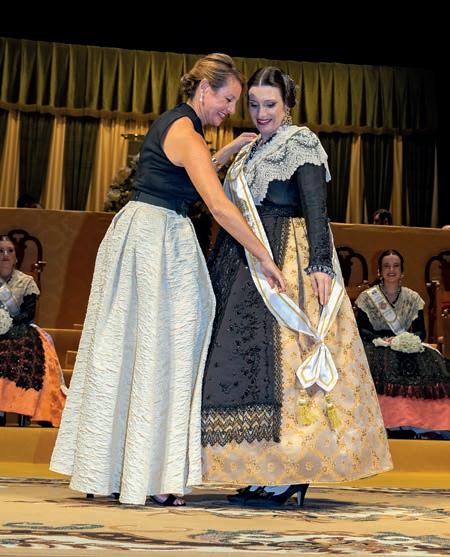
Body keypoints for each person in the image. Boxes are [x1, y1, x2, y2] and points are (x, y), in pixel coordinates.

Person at [50, 54, 285, 507]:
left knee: (132, 349)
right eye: (228, 99)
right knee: (167, 352)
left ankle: (110, 468)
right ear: (205, 89)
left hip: (143, 231)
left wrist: (227, 151)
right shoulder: (187, 133)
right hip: (157, 238)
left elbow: (186, 172)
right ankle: (155, 476)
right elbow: (219, 207)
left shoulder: (176, 125)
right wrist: (265, 256)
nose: (230, 109)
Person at [201, 66, 392, 508]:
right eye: (253, 104)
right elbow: (207, 181)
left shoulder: (300, 142)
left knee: (286, 366)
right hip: (242, 261)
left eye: (270, 104)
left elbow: (315, 207)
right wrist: (231, 148)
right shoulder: (251, 150)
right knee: (242, 366)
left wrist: (321, 264)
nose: (261, 113)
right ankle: (260, 467)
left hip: (286, 260)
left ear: (287, 104)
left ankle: (291, 470)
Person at [355, 249, 450, 436]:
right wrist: (381, 340)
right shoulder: (367, 297)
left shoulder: (413, 298)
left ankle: (423, 424)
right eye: (386, 266)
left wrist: (407, 340)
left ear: (402, 271)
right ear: (379, 271)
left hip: (405, 343)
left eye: (396, 266)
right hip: (376, 344)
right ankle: (387, 423)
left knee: (433, 362)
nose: (391, 270)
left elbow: (421, 331)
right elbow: (361, 329)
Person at [0, 235, 66, 427]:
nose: (5, 255)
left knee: (22, 352)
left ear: (16, 257)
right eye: (0, 251)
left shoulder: (26, 281)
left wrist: (7, 322)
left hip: (21, 329)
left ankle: (25, 407)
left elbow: (29, 313)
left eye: (10, 250)